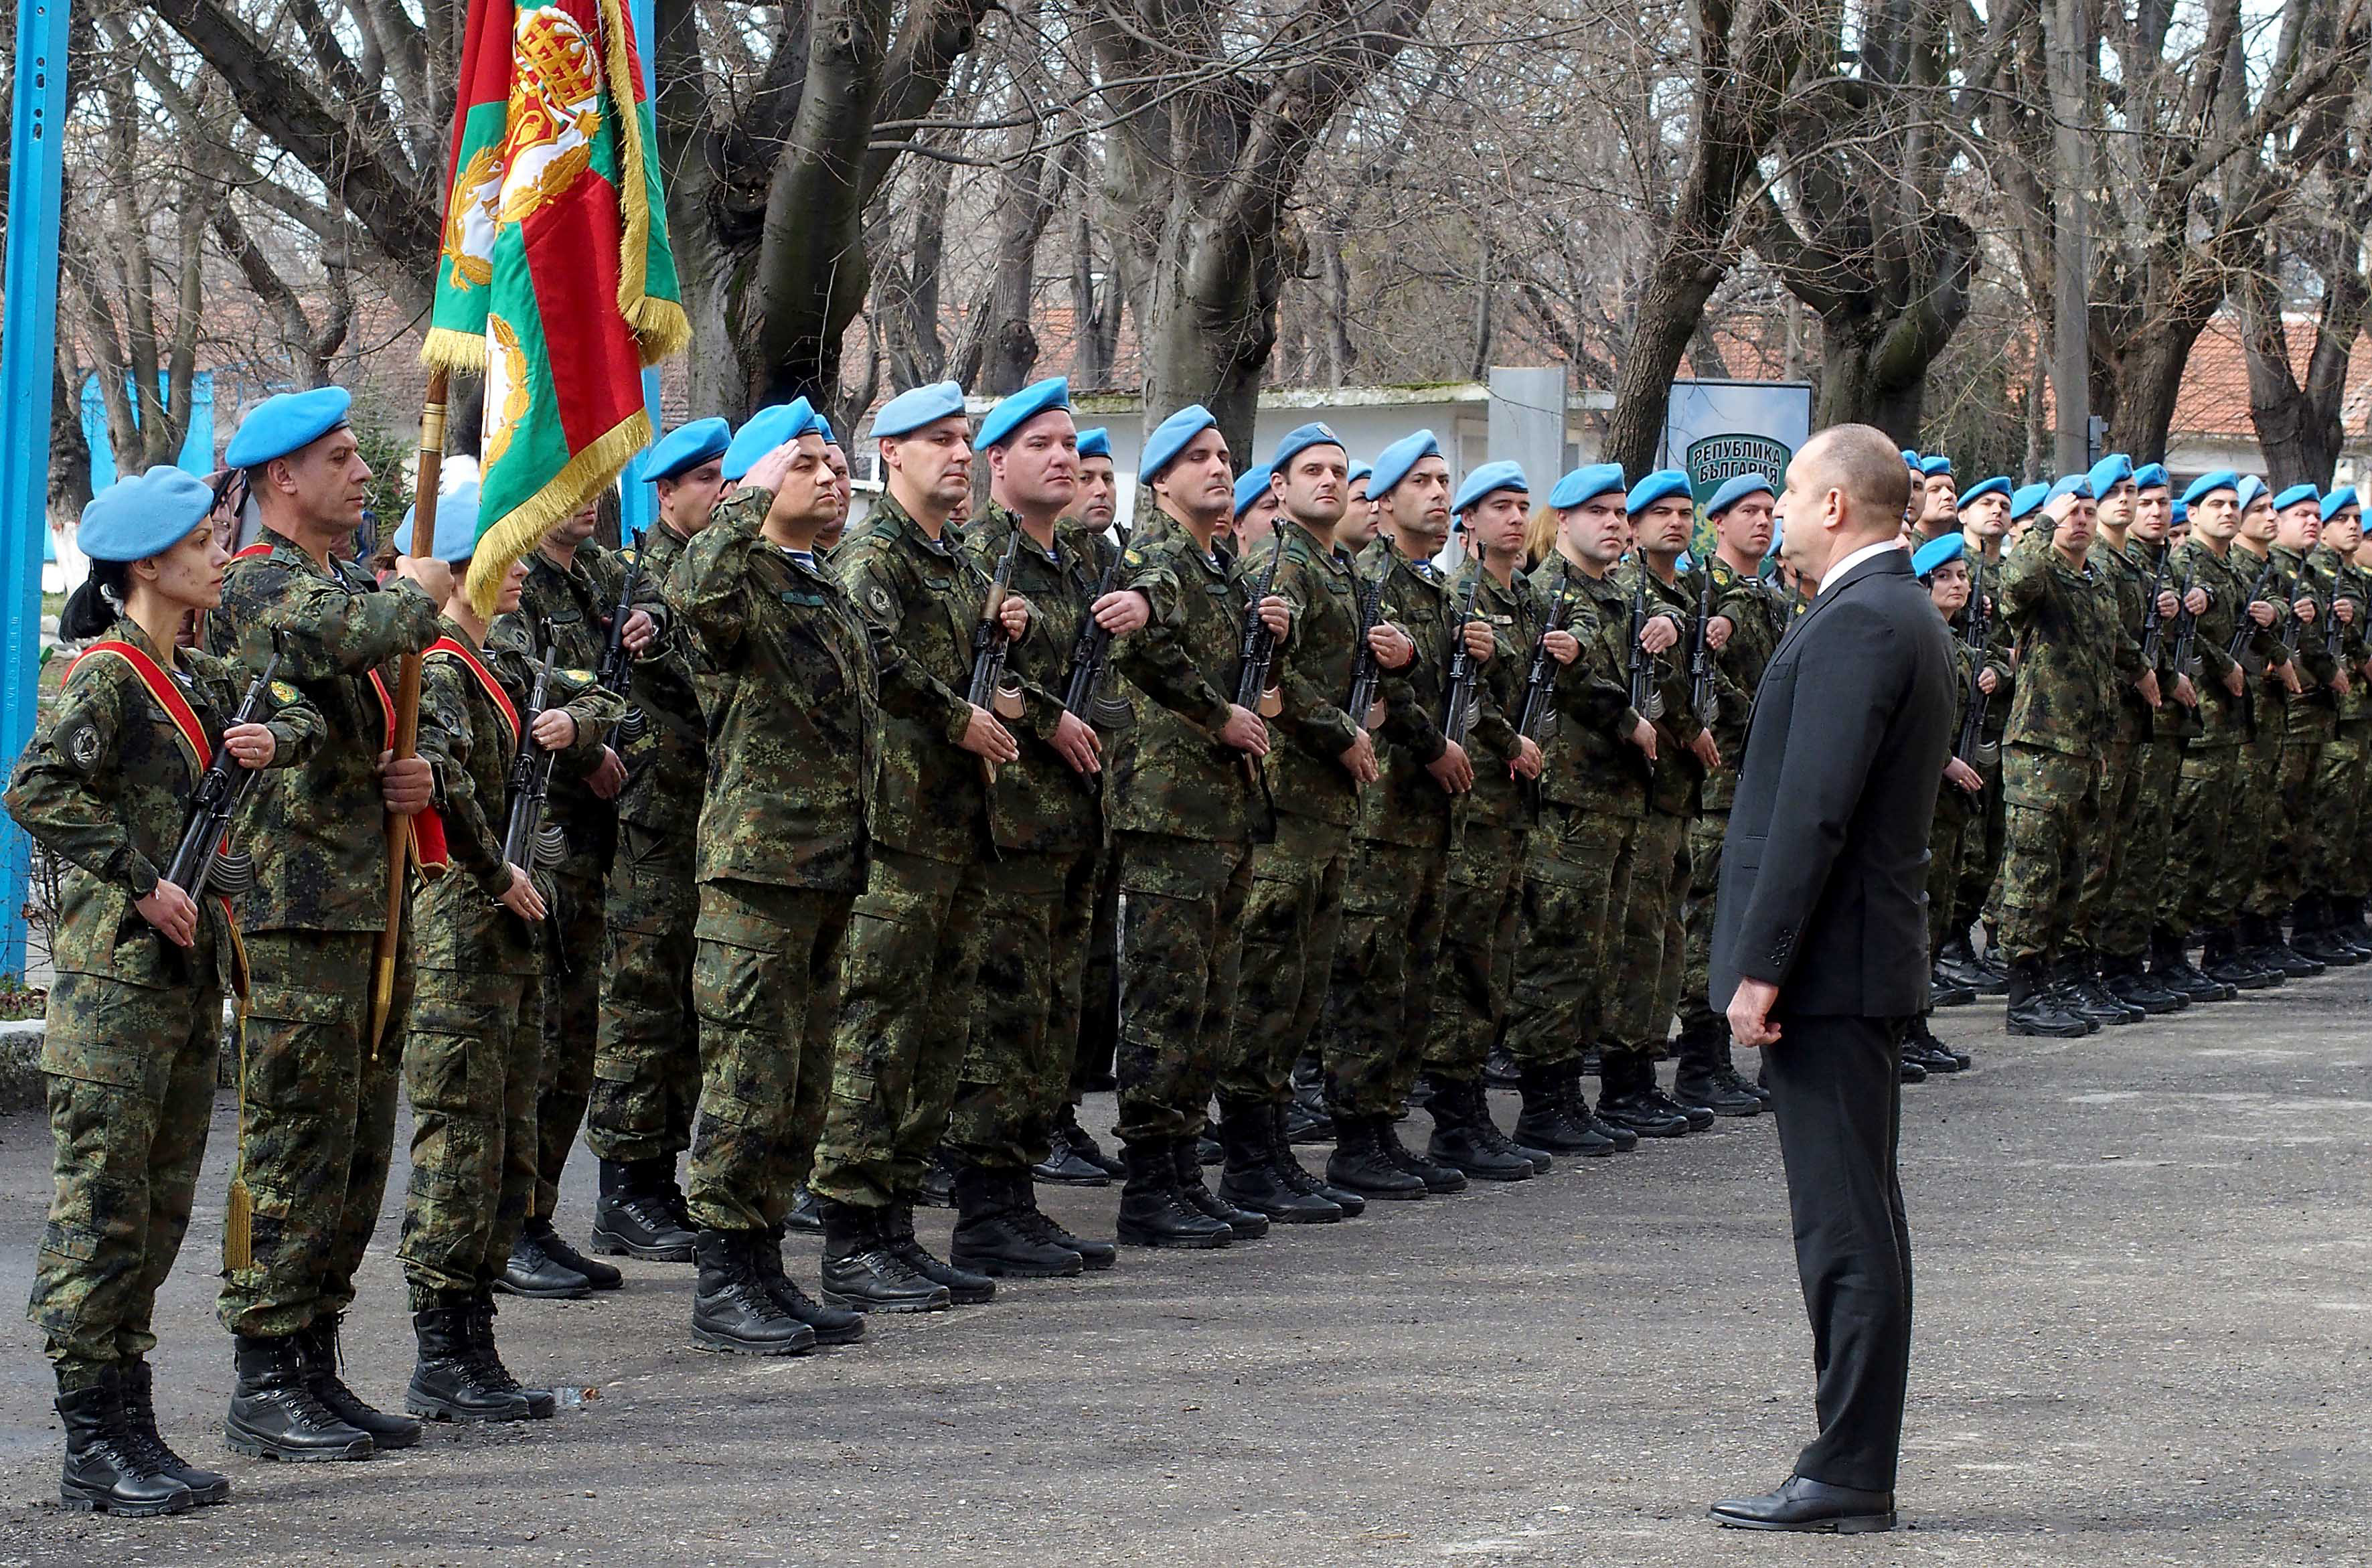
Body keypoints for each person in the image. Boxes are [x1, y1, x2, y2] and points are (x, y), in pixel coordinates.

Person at [10, 468, 313, 1512]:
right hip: (115, 992)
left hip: (185, 984)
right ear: (148, 563)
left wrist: (278, 738)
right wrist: (142, 880)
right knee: (102, 1211)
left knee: (160, 1208)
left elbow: (295, 710)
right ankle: (94, 1437)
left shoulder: (201, 666)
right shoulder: (108, 674)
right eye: (201, 540)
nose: (219, 551)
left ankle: (133, 1419)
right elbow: (35, 787)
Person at [1707, 423, 1955, 1534]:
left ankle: (1847, 1466)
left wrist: (1759, 972)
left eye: (1795, 491)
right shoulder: (1888, 608)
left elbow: (1812, 814)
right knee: (1859, 1217)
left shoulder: (1861, 620)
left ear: (1835, 508)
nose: (1784, 508)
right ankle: (1847, 1455)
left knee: (1844, 1226)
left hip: (1828, 971)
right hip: (1849, 964)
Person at [203, 387, 443, 1460]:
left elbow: (367, 687)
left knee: (356, 1141)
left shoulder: (349, 583)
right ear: (279, 481)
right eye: (338, 458)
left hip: (365, 903)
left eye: (361, 454)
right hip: (295, 913)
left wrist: (409, 773)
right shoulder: (259, 583)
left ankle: (316, 1352)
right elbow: (332, 636)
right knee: (295, 1137)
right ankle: (263, 1367)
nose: (363, 472)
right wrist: (425, 595)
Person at [390, 487, 617, 1417]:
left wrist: (579, 726)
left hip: (514, 922)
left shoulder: (511, 652)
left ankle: (476, 1338)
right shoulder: (436, 669)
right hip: (464, 931)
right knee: (461, 1138)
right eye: (504, 552)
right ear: (450, 568)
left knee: (507, 1135)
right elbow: (441, 787)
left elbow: (599, 696)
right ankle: (441, 1348)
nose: (523, 566)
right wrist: (495, 872)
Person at [670, 401, 890, 1340]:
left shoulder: (821, 582)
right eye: (807, 464)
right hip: (758, 872)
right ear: (760, 481)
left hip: (828, 864)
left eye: (838, 462)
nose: (832, 477)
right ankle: (723, 1276)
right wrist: (738, 502)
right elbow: (691, 599)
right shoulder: (734, 574)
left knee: (800, 1081)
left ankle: (764, 1262)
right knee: (745, 1077)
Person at [809, 381, 1028, 1310]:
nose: (958, 455)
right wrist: (961, 716)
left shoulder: (951, 563)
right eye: (936, 440)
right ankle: (851, 1232)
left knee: (936, 1035)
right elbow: (874, 660)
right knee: (876, 1030)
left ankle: (895, 1218)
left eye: (963, 440)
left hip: (955, 828)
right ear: (887, 454)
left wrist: (1000, 644)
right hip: (897, 832)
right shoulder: (872, 555)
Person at [946, 378, 1135, 1275]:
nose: (1063, 458)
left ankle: (1015, 1197)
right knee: (1001, 1018)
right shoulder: (977, 556)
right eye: (1041, 446)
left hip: (1071, 826)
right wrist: (1043, 715)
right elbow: (955, 680)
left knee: (1052, 1019)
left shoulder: (1078, 562)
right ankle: (983, 1206)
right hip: (1002, 831)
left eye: (1068, 444)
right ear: (996, 462)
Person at [1105, 405, 1289, 1245]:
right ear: (1161, 479)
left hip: (1221, 811)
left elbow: (1241, 670)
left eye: (1223, 457)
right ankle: (1150, 1183)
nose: (1218, 469)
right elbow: (1142, 626)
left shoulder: (1221, 565)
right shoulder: (1162, 555)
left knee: (1210, 1001)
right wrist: (1218, 716)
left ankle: (1183, 1166)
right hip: (1170, 812)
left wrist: (1270, 640)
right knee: (1165, 1001)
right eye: (1198, 459)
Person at [489, 492, 665, 1298]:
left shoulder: (606, 572)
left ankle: (537, 1213)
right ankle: (503, 1225)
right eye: (577, 480)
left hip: (597, 840)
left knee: (575, 1040)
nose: (593, 498)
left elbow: (656, 637)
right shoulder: (510, 578)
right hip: (534, 836)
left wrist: (654, 625)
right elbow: (522, 688)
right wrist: (589, 733)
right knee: (537, 1039)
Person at [1217, 423, 1393, 1223]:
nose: (1329, 481)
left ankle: (1275, 1147)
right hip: (1284, 805)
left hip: (1327, 806)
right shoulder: (1278, 563)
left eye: (1339, 469)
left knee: (1299, 985)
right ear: (1278, 489)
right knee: (1266, 981)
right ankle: (1250, 1156)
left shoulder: (1338, 567)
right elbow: (1268, 686)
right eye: (1310, 471)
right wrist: (1344, 734)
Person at [1318, 446, 1491, 1197]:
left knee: (1412, 975)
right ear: (1381, 504)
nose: (1438, 493)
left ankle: (1386, 1125)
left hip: (1427, 818)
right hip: (1384, 810)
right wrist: (1435, 746)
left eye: (1444, 481)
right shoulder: (1376, 580)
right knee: (1371, 974)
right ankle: (1357, 1134)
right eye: (1419, 483)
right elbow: (1387, 694)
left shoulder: (1438, 584)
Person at [586, 416, 732, 1264]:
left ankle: (658, 1177)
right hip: (652, 824)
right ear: (665, 492)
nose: (721, 493)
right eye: (704, 480)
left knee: (682, 1007)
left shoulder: (701, 575)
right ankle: (626, 1186)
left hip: (707, 820)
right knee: (641, 1003)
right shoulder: (648, 575)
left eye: (725, 477)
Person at [1502, 464, 1659, 1160]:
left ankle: (1571, 1093)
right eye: (1598, 511)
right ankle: (1546, 1099)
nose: (1615, 523)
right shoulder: (1545, 595)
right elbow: (1577, 686)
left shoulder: (1621, 594)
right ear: (1561, 520)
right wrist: (1628, 718)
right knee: (1557, 952)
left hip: (1616, 798)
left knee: (1599, 951)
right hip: (1565, 799)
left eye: (1620, 512)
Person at [1421, 445, 1551, 1178]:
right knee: (1465, 961)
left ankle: (1471, 1112)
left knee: (1494, 959)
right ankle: (1455, 1116)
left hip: (1517, 810)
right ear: (1468, 521)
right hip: (1473, 805)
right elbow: (1467, 703)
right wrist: (1509, 739)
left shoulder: (1528, 599)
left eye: (1520, 505)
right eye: (1499, 506)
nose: (1514, 517)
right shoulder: (1462, 597)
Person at [1599, 470, 1721, 1135]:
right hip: (1643, 789)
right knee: (1640, 937)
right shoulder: (1629, 591)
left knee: (1666, 933)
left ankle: (1645, 1066)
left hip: (1676, 793)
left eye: (1683, 512)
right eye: (1658, 513)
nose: (1674, 522)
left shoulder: (1690, 591)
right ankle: (1625, 1078)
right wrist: (1691, 727)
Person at [1675, 474, 1785, 1108]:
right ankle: (1698, 1060)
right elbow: (1700, 684)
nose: (1763, 523)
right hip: (1717, 782)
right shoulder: (1699, 593)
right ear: (1717, 523)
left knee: (1745, 918)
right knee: (1706, 922)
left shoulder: (1767, 596)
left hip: (1758, 779)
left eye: (1770, 512)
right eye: (1748, 512)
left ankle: (1730, 1056)